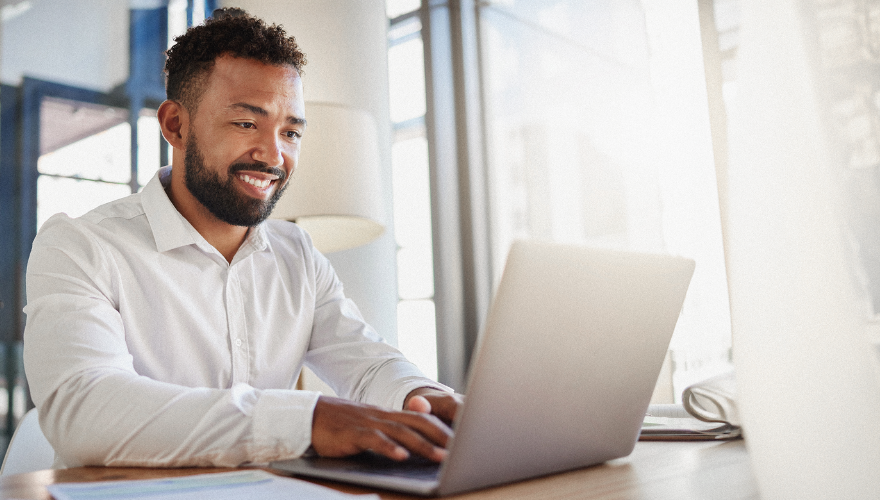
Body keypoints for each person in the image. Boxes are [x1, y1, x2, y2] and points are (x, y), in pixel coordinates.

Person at [22, 8, 461, 468]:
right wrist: (307, 421)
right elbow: (85, 412)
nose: (275, 155)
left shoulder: (299, 255)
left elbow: (367, 363)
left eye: (290, 131)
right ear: (175, 125)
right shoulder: (78, 247)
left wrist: (424, 398)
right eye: (247, 124)